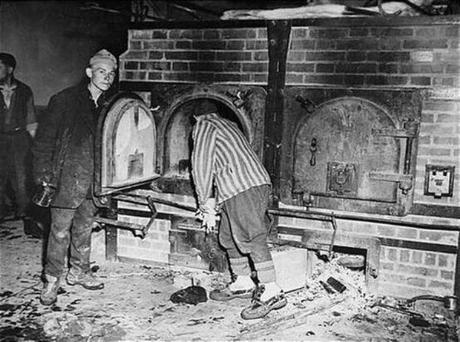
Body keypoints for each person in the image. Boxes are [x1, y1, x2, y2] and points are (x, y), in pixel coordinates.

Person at [32, 49, 117, 306]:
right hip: (65, 178)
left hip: (93, 181)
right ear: (89, 73)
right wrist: (44, 176)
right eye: (102, 72)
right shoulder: (65, 100)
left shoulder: (109, 104)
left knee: (84, 228)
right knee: (59, 232)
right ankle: (51, 280)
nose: (107, 77)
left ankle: (79, 271)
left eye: (112, 73)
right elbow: (43, 141)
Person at [190, 100, 287, 320]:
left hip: (241, 187)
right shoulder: (229, 124)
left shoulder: (204, 126)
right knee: (228, 236)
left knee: (252, 237)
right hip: (250, 185)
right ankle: (243, 282)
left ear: (197, 118)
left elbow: (202, 163)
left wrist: (204, 201)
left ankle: (271, 290)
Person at [0, 53, 37, 225]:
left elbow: (31, 121)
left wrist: (37, 147)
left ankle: (26, 216)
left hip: (19, 140)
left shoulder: (24, 91)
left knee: (22, 179)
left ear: (10, 69)